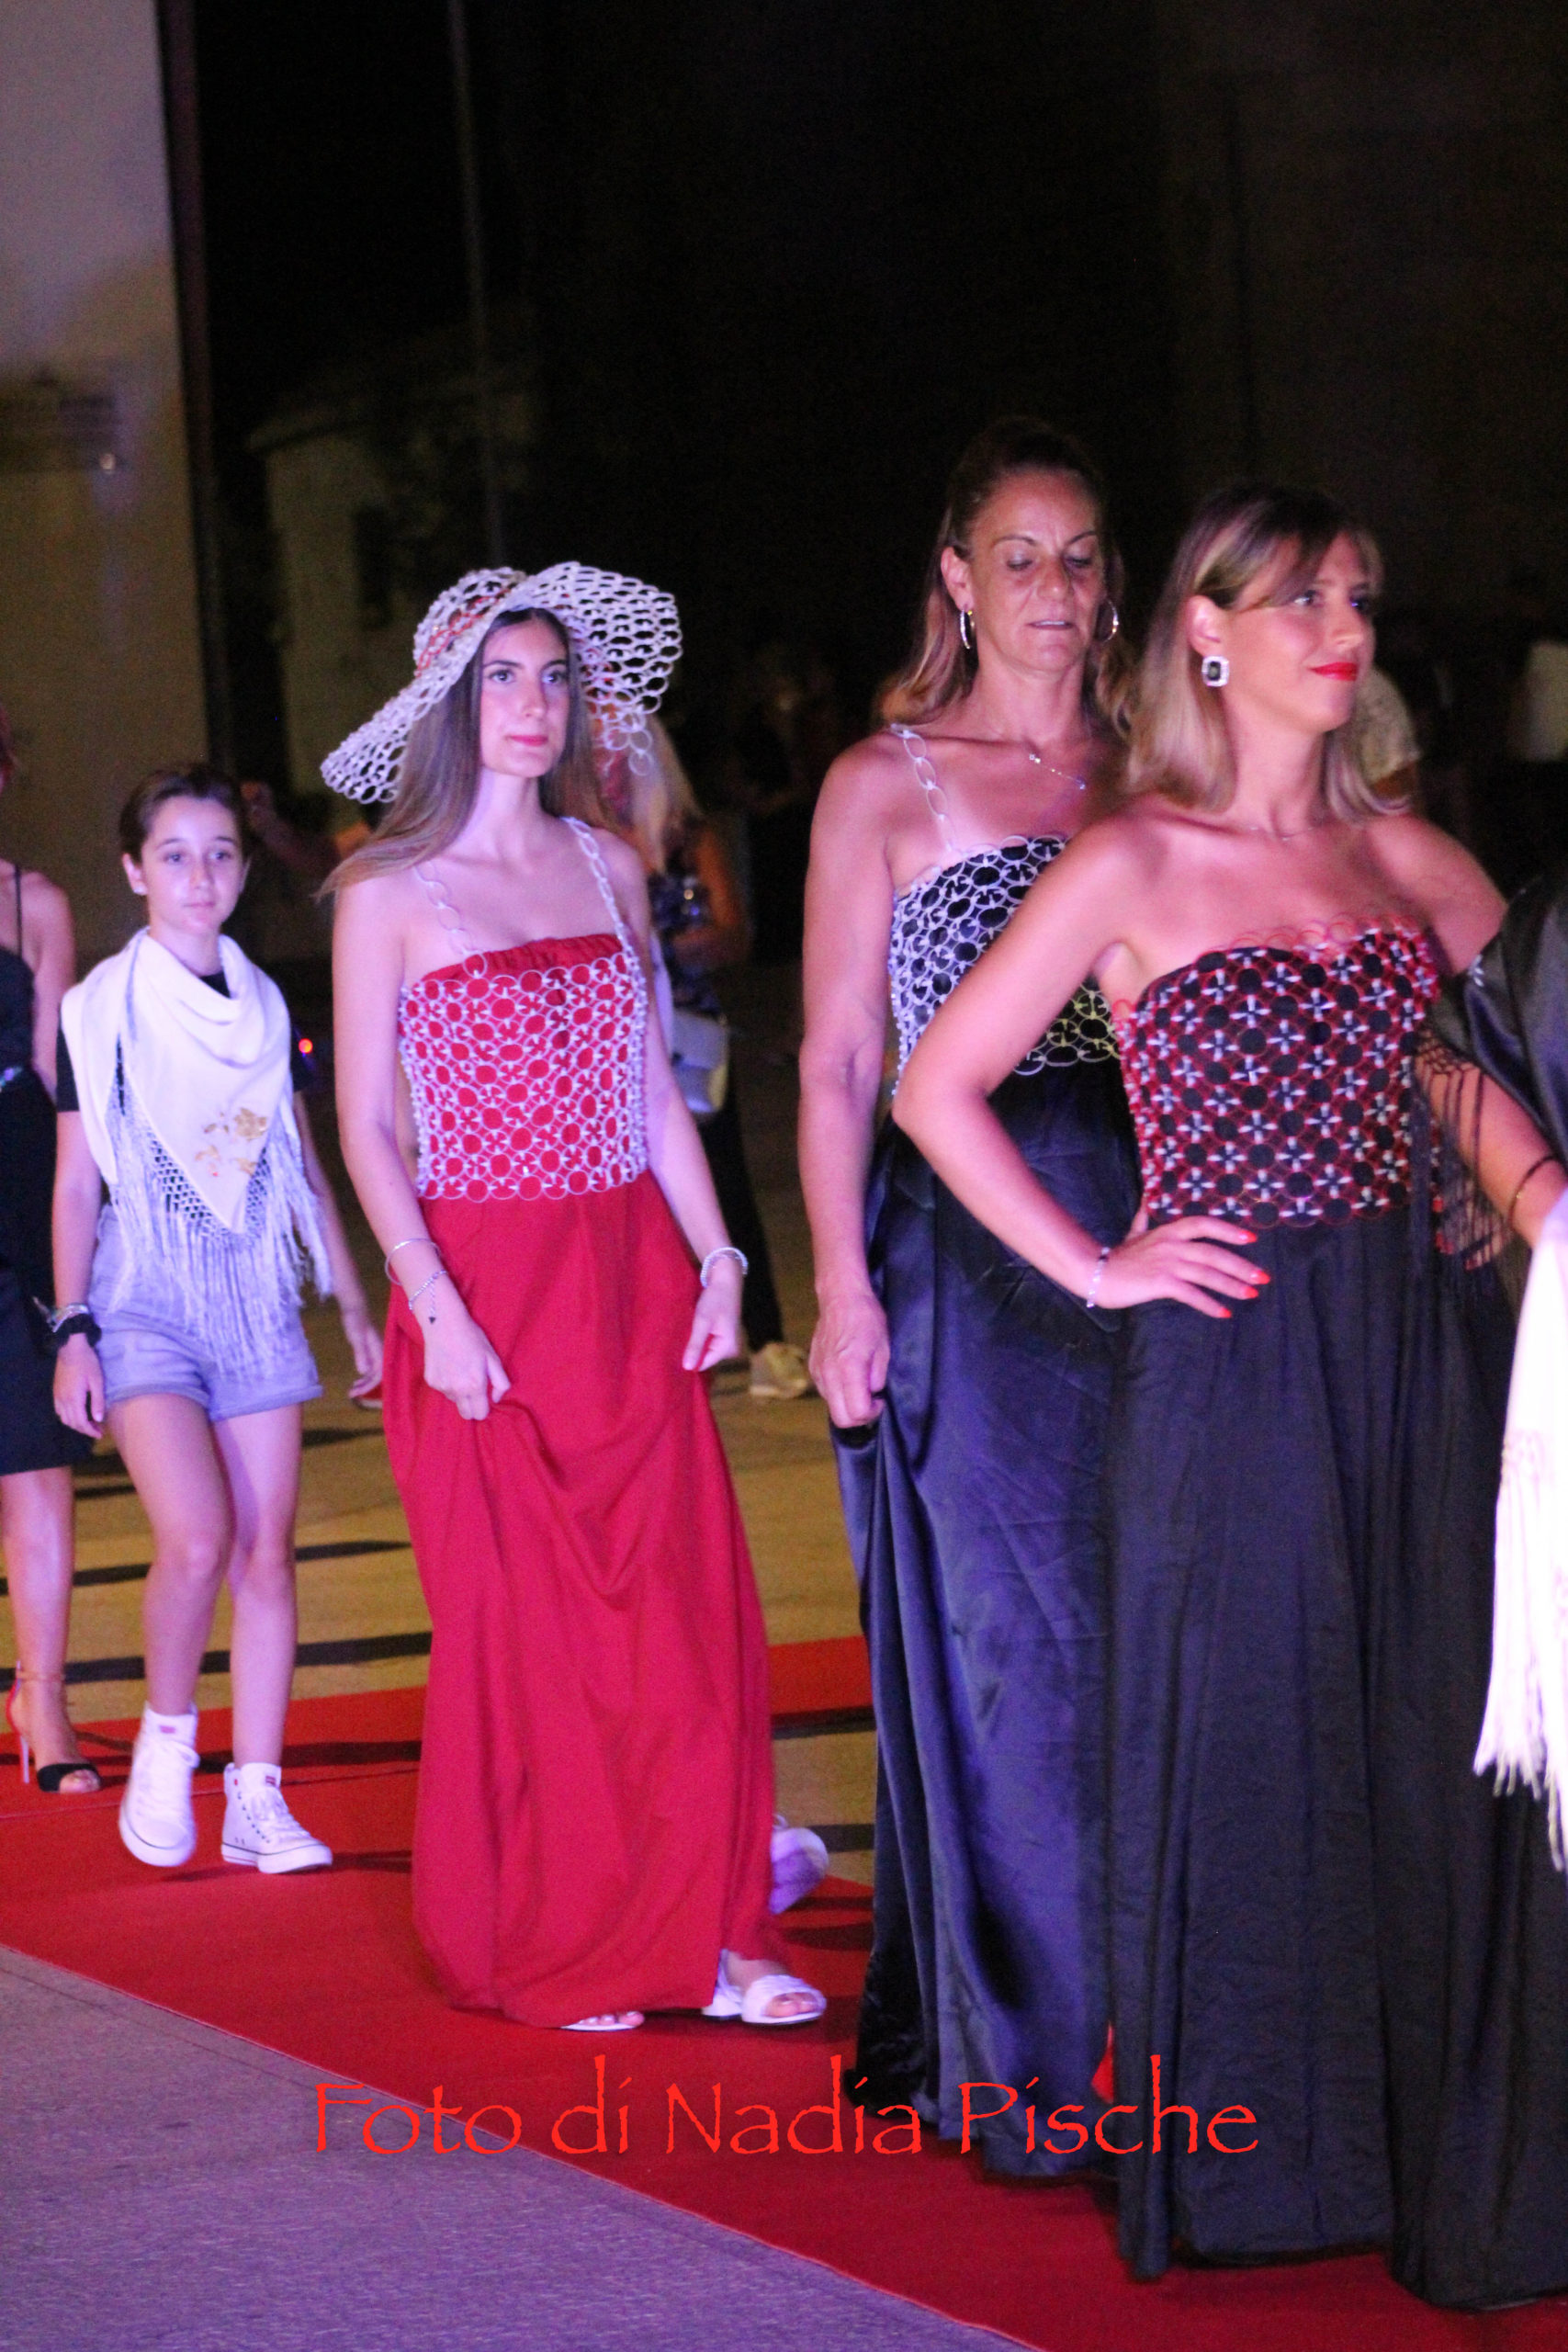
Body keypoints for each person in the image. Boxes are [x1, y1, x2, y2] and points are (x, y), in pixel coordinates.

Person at [896, 482, 1568, 2308]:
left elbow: (1491, 1095)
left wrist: (1534, 1214)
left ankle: (1451, 2145)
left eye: (1355, 596)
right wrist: (1097, 1265)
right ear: (1204, 630)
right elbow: (933, 1089)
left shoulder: (1415, 862)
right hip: (1231, 1357)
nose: (1341, 630)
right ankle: (1269, 2169)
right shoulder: (1128, 861)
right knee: (1252, 1734)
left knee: (1431, 1737)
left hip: (1423, 1348)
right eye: (1299, 601)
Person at [324, 563, 825, 2033]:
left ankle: (720, 1934)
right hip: (482, 1290)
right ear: (447, 700)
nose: (534, 705)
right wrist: (436, 1310)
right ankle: (574, 1941)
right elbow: (365, 1128)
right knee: (537, 1639)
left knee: (679, 1624)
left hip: (626, 1277)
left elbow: (652, 1091)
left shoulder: (609, 864)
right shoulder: (385, 892)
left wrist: (721, 1259)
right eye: (502, 678)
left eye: (554, 678)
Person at [798, 419, 1139, 2173]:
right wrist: (837, 1287)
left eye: (1078, 557)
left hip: (1155, 1231)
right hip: (966, 1260)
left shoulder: (1155, 765)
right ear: (956, 577)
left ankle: (1177, 2013)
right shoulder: (885, 783)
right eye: (1019, 557)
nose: (1053, 590)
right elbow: (838, 1060)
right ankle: (1042, 2051)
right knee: (1011, 1652)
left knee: (1153, 1628)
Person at [52, 765, 380, 1872]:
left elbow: (304, 1161)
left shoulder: (267, 1006)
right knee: (195, 1539)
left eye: (222, 854)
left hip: (255, 1302)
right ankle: (167, 1735)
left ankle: (257, 1795)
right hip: (143, 1298)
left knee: (266, 1553)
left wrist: (354, 1299)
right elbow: (74, 1185)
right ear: (135, 870)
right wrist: (73, 1329)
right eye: (176, 855)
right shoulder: (97, 1011)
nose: (201, 876)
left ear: (243, 871)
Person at [599, 714, 812, 1401]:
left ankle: (767, 1336)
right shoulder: (579, 840)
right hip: (610, 1041)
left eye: (616, 750)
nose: (605, 765)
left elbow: (734, 934)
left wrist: (662, 950)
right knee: (630, 1197)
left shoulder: (685, 838)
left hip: (688, 1032)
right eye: (593, 750)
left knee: (725, 1182)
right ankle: (657, 1341)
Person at [0, 703, 98, 1793]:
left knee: (35, 1463)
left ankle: (46, 1697)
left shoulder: (36, 903)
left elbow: (54, 1074)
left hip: (14, 1188)